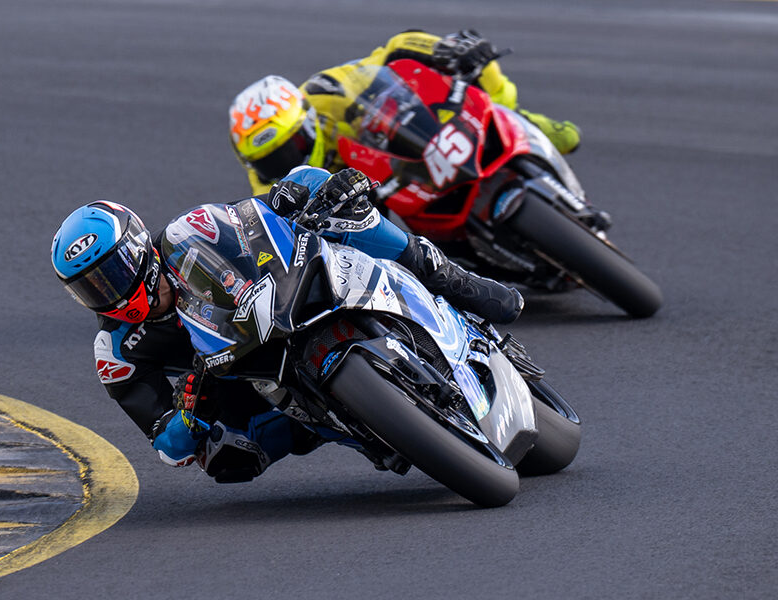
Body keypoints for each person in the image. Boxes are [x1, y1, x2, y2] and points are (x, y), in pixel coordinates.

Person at [50, 167, 522, 482]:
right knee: (224, 460)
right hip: (237, 377)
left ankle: (446, 276)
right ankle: (356, 423)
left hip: (276, 300)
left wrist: (295, 197)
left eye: (112, 274)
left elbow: (252, 216)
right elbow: (167, 446)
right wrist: (188, 414)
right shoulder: (117, 351)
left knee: (318, 187)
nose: (109, 293)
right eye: (91, 289)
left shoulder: (187, 233)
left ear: (137, 248)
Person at [229, 29, 583, 195]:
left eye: (289, 149)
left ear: (306, 121)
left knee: (480, 68)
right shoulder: (268, 186)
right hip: (374, 197)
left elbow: (393, 50)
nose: (284, 165)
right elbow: (277, 227)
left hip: (408, 137)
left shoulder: (327, 91)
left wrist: (445, 50)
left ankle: (520, 121)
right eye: (269, 162)